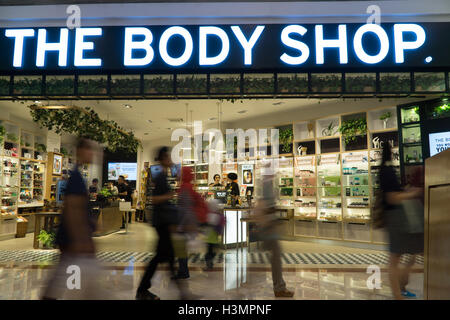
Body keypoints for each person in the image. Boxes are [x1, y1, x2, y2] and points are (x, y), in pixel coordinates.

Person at [42, 138, 104, 299]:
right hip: (73, 239)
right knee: (75, 279)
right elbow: (72, 209)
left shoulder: (77, 175)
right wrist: (81, 239)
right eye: (89, 149)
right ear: (80, 151)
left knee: (62, 276)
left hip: (70, 238)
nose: (93, 154)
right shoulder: (76, 177)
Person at [136, 147, 186, 300]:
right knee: (161, 257)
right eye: (169, 157)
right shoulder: (160, 178)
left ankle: (181, 292)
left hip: (163, 222)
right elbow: (155, 199)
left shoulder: (163, 176)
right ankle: (143, 290)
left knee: (168, 257)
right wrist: (169, 195)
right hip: (162, 223)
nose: (171, 160)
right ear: (163, 159)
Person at [379, 141, 424, 300]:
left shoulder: (385, 169)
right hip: (396, 219)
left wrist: (407, 191)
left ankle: (401, 291)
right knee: (395, 259)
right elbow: (392, 198)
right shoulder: (387, 171)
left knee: (405, 256)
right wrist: (413, 193)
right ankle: (398, 294)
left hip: (397, 218)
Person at [253, 160, 294, 298]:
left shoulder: (264, 184)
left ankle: (279, 286)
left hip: (267, 228)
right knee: (276, 257)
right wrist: (274, 221)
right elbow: (268, 206)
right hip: (269, 229)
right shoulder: (267, 185)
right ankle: (279, 288)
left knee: (275, 257)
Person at [172, 166, 200, 279]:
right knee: (182, 248)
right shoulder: (190, 186)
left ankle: (183, 271)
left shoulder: (184, 187)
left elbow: (184, 207)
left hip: (184, 222)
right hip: (188, 221)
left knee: (181, 248)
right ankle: (183, 271)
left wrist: (180, 224)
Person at [203, 199, 224, 271]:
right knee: (212, 251)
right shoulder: (217, 214)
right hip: (213, 237)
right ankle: (209, 264)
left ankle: (209, 265)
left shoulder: (210, 214)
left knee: (209, 252)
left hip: (210, 237)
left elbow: (208, 223)